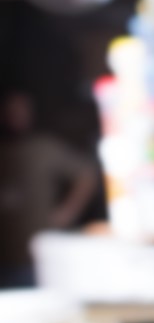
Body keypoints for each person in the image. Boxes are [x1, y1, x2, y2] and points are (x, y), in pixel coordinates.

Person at [0, 92, 98, 289]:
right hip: (5, 259)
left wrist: (66, 213)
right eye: (11, 110)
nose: (16, 115)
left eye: (21, 109)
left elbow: (86, 175)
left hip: (40, 256)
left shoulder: (43, 147)